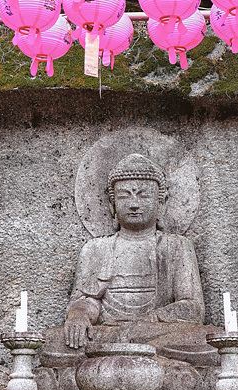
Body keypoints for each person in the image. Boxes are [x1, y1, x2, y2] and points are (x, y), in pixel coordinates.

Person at [42, 153, 219, 367]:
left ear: (161, 203)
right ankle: (134, 352)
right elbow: (89, 300)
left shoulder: (177, 246)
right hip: (108, 332)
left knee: (209, 339)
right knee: (52, 341)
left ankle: (121, 351)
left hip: (153, 331)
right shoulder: (95, 248)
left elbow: (192, 309)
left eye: (144, 195)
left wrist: (146, 323)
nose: (134, 204)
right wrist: (79, 315)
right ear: (112, 204)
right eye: (125, 195)